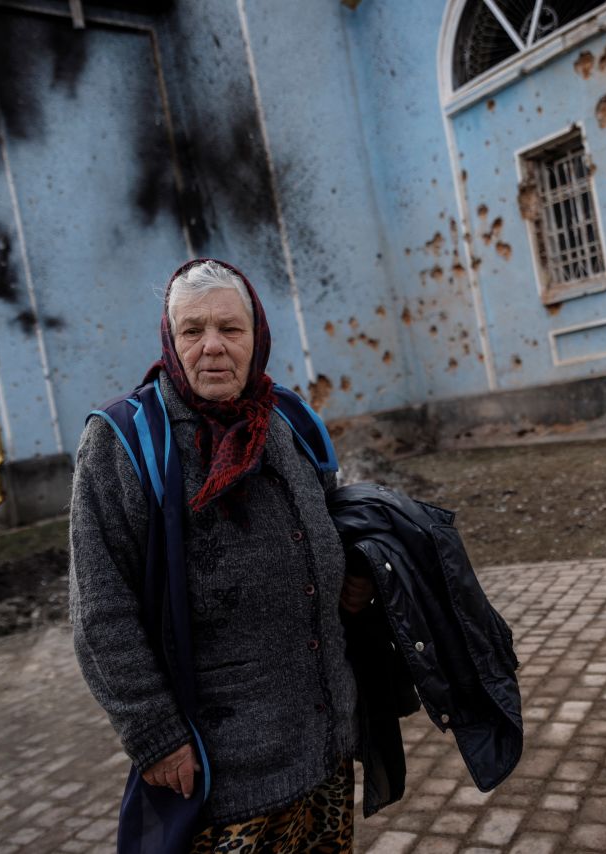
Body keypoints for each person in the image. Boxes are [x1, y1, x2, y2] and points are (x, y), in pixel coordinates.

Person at [69, 259, 373, 851]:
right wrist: (154, 734)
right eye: (192, 330)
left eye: (230, 330)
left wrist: (352, 577)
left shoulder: (286, 419)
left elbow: (330, 524)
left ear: (256, 335)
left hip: (323, 744)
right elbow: (99, 610)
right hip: (222, 773)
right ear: (170, 338)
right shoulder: (119, 443)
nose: (212, 347)